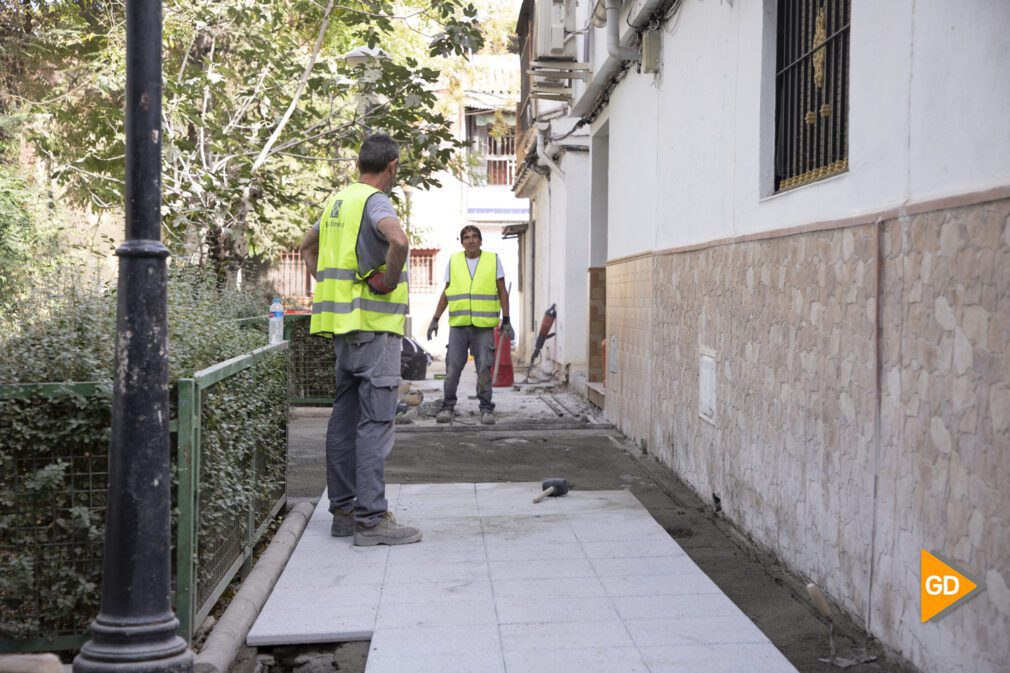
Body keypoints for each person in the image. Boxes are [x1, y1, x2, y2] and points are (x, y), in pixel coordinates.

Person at [299, 134, 421, 547]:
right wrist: (385, 280)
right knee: (376, 422)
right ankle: (372, 520)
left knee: (344, 419)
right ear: (392, 165)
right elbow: (399, 241)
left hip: (342, 330)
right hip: (374, 330)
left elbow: (306, 246)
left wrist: (330, 288)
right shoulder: (375, 202)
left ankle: (345, 513)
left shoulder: (337, 201)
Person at [426, 225, 513, 425]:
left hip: (483, 327)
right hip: (458, 326)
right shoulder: (454, 261)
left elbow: (502, 291)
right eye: (466, 237)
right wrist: (435, 319)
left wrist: (506, 320)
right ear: (461, 242)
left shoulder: (492, 259)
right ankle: (447, 406)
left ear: (481, 240)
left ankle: (486, 408)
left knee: (483, 368)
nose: (471, 240)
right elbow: (447, 292)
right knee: (453, 367)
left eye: (474, 236)